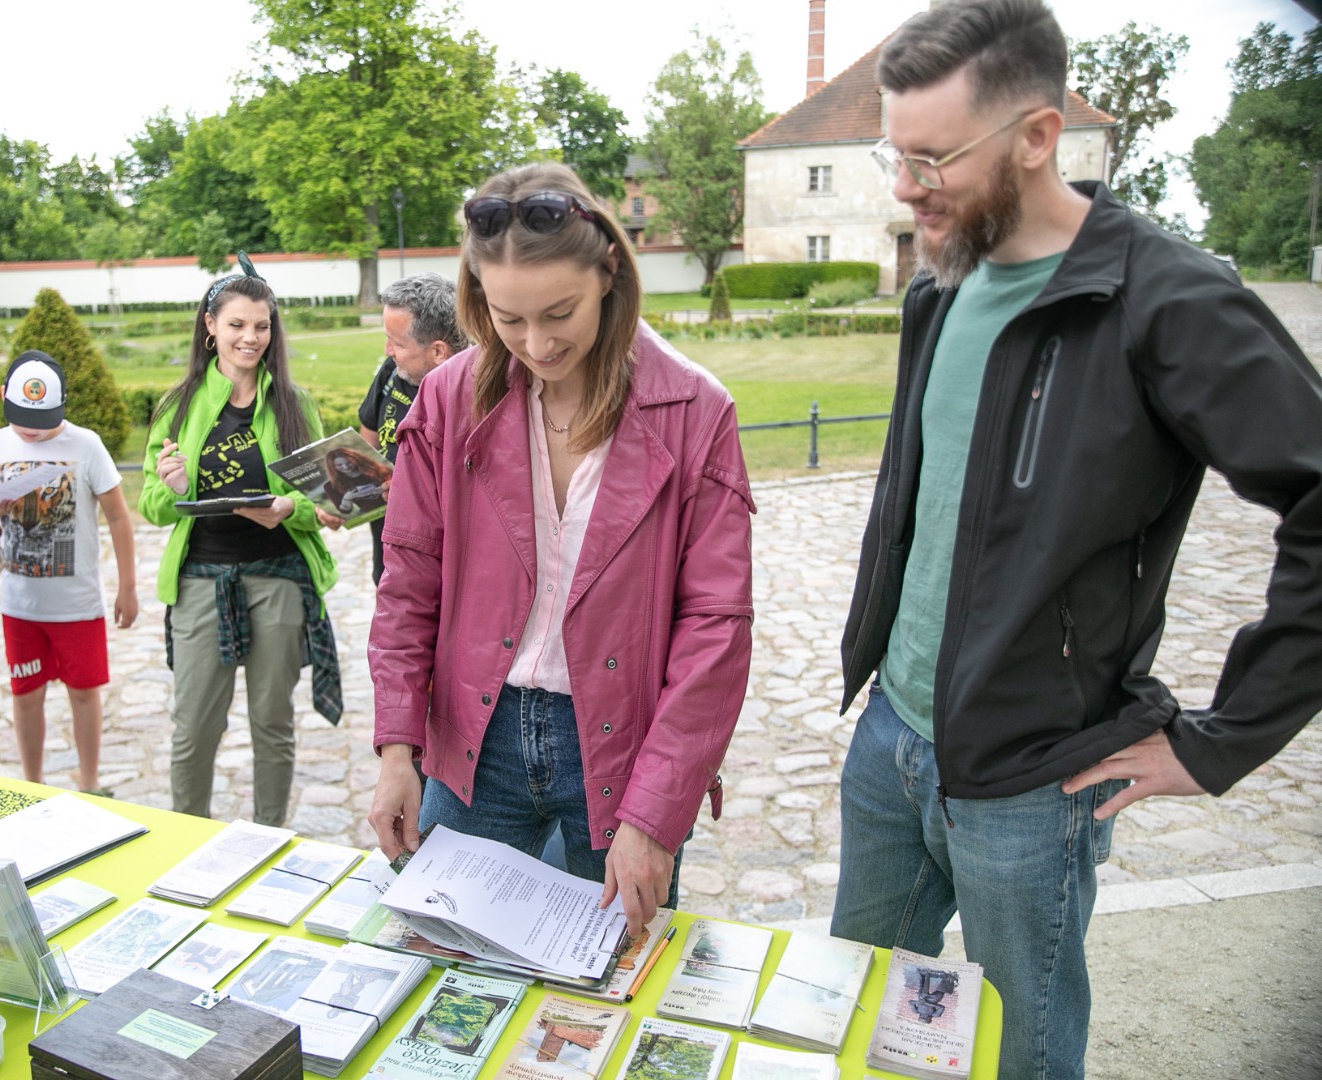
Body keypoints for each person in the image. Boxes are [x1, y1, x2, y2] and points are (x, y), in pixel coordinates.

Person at [830, 3, 1322, 1079]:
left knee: (1022, 1057)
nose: (903, 187)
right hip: (889, 744)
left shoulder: (1170, 297)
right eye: (891, 153)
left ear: (1038, 136)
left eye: (929, 158)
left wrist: (1224, 738)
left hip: (1034, 782)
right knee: (857, 1030)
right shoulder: (938, 278)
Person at [365, 162, 756, 938]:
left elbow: (715, 626)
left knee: (612, 985)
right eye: (507, 319)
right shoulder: (446, 398)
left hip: (620, 746)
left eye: (559, 312)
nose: (535, 344)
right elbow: (409, 583)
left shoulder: (695, 410)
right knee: (450, 974)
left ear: (609, 271)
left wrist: (656, 812)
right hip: (475, 738)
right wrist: (396, 747)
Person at [139, 264, 342, 824]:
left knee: (271, 724)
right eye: (236, 325)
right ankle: (185, 833)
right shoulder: (176, 406)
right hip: (201, 582)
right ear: (210, 326)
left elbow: (325, 504)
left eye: (261, 326)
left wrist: (288, 509)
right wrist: (176, 487)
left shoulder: (295, 405)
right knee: (195, 727)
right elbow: (153, 506)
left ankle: (270, 837)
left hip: (277, 579)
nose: (250, 338)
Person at [0, 351, 139, 796]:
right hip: (20, 606)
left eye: (42, 419)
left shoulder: (86, 445)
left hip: (78, 605)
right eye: (23, 417)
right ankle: (33, 785)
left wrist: (127, 588)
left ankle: (89, 783)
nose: (31, 429)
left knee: (84, 693)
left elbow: (119, 517)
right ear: (4, 396)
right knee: (25, 695)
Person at [318, 273, 469, 586]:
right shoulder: (392, 372)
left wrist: (408, 489)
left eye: (398, 342)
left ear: (438, 351)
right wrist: (340, 502)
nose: (387, 350)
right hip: (390, 558)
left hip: (446, 570)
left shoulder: (475, 394)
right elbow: (367, 442)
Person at [320, 448, 392, 517]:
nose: (345, 467)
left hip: (391, 507)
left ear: (356, 460)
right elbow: (345, 511)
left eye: (349, 463)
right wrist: (347, 498)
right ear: (332, 467)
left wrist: (385, 488)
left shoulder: (379, 471)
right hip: (369, 515)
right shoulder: (331, 486)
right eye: (339, 465)